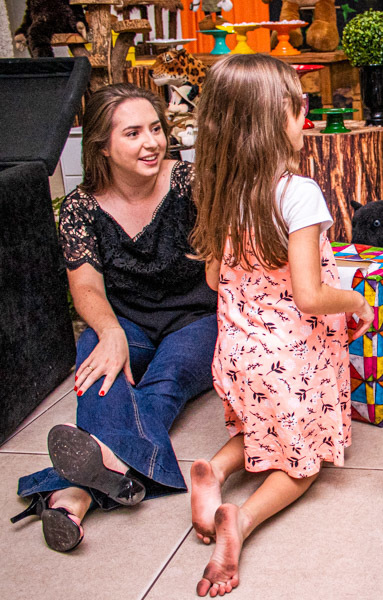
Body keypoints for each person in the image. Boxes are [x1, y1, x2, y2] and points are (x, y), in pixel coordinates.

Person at [188, 54, 374, 597]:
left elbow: (213, 277)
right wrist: (356, 302)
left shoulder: (222, 190)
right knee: (301, 462)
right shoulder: (298, 193)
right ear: (272, 122)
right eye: (298, 107)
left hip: (239, 348)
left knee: (259, 424)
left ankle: (215, 470)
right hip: (292, 353)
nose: (306, 115)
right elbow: (310, 294)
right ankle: (241, 520)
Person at [11, 83, 219, 552]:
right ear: (102, 145)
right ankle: (108, 474)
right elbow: (85, 287)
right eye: (133, 133)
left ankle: (72, 492)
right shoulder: (81, 208)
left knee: (164, 384)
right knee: (98, 371)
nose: (151, 142)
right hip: (125, 319)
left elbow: (219, 266)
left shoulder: (190, 184)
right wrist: (109, 332)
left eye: (155, 129)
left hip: (195, 318)